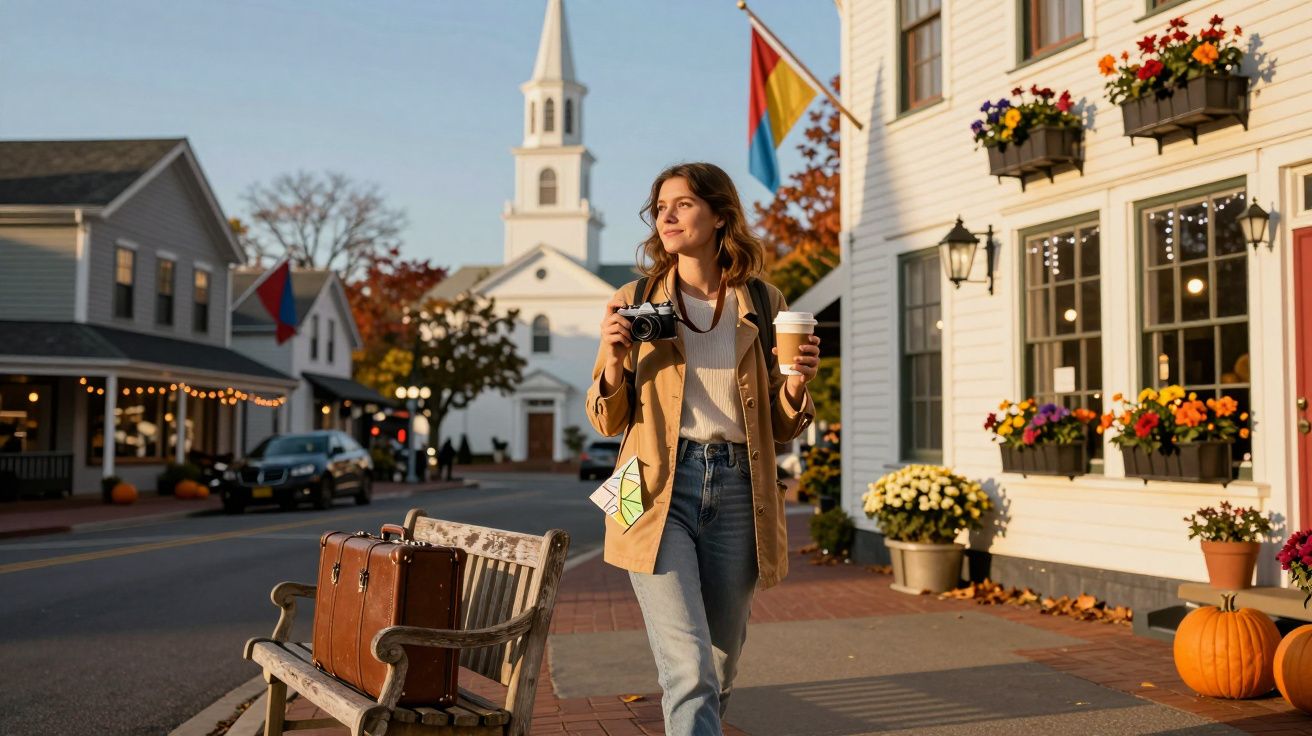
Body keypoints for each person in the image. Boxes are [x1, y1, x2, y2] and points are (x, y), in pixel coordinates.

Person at [585, 162, 819, 734]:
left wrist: (795, 385)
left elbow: (782, 427)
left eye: (684, 203)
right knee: (688, 667)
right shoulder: (633, 297)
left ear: (719, 216)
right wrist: (613, 360)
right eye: (660, 205)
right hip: (655, 485)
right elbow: (605, 420)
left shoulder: (764, 301)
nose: (667, 215)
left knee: (719, 662)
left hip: (741, 486)